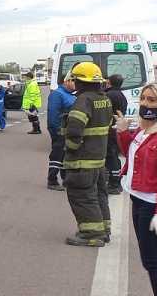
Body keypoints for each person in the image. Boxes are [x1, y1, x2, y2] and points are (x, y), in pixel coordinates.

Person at [116, 81, 157, 294]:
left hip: (155, 204)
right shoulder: (147, 128)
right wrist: (124, 133)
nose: (145, 104)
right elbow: (132, 156)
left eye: (152, 100)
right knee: (149, 260)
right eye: (143, 98)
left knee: (154, 262)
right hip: (140, 199)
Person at [62, 62, 113, 247]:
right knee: (99, 195)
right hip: (98, 159)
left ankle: (92, 234)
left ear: (80, 81)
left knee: (82, 197)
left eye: (75, 79)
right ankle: (104, 230)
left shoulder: (83, 100)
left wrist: (71, 146)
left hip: (82, 161)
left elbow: (75, 128)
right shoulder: (104, 99)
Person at [47, 77, 77, 191]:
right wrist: (56, 130)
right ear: (66, 81)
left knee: (65, 156)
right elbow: (53, 114)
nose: (75, 84)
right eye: (73, 81)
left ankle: (66, 179)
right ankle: (52, 180)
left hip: (68, 130)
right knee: (57, 155)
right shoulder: (57, 94)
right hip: (60, 130)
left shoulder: (71, 95)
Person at [105, 74, 128, 195]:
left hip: (110, 129)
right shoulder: (121, 95)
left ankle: (114, 184)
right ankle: (116, 182)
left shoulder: (109, 95)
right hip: (116, 128)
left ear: (109, 82)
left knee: (110, 155)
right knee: (114, 155)